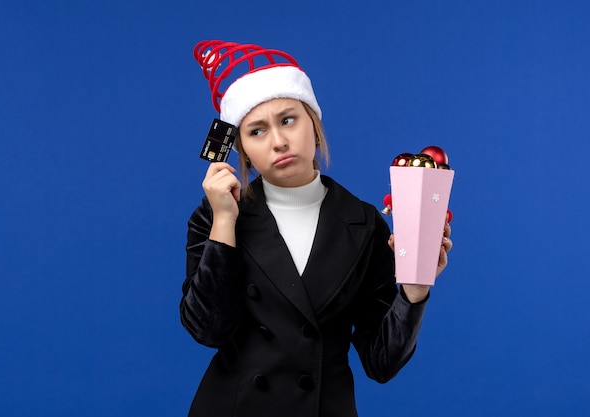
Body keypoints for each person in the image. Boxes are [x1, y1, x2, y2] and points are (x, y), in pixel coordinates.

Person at [180, 40, 453, 417]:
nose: (278, 142)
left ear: (313, 122)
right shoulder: (215, 216)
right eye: (257, 131)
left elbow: (381, 363)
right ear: (241, 148)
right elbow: (207, 331)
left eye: (288, 120)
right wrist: (225, 220)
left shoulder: (363, 222)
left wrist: (414, 291)